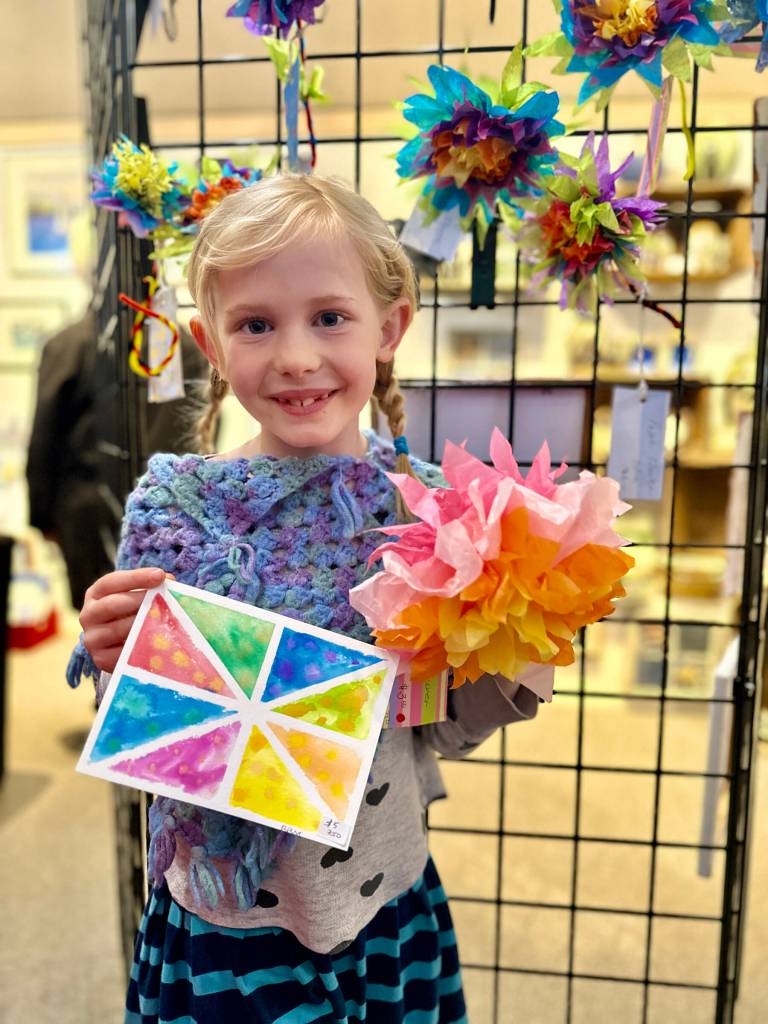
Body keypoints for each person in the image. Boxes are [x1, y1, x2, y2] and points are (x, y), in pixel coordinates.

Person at [70, 175, 545, 1024]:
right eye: (256, 324)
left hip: (384, 894)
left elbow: (439, 725)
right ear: (211, 345)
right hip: (228, 916)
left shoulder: (434, 514)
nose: (294, 356)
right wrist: (117, 658)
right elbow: (155, 731)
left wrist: (514, 654)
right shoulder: (176, 507)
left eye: (330, 317)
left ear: (390, 327)